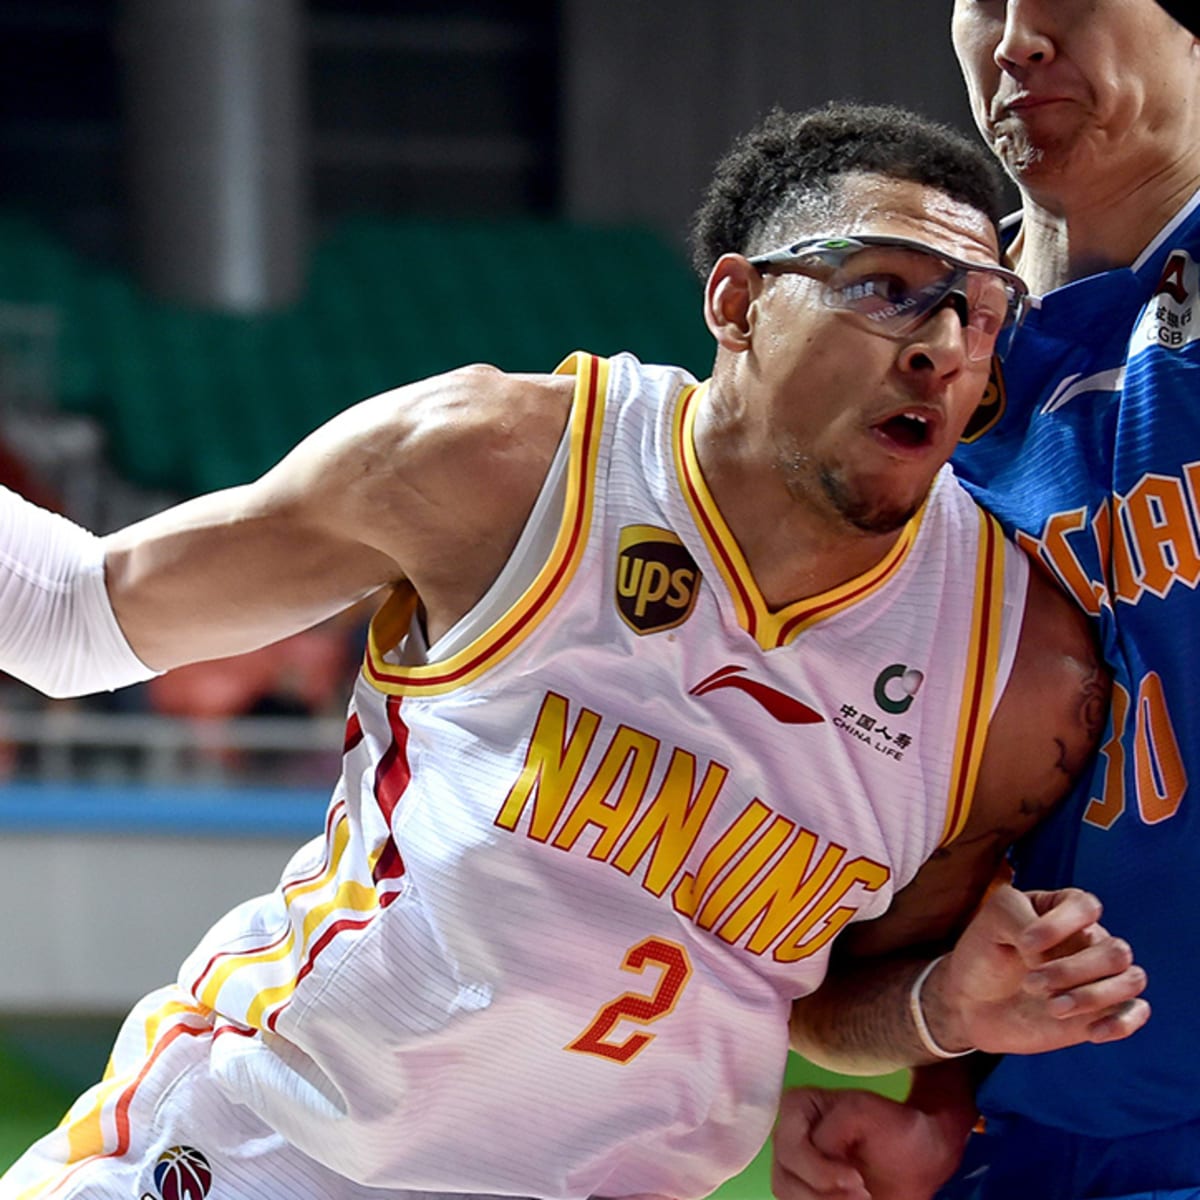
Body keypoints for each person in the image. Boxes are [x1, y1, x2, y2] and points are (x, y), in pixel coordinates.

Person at [0, 104, 1145, 1200]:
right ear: (738, 302)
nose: (940, 346)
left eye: (977, 312)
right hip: (269, 1149)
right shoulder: (502, 466)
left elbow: (827, 1003)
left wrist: (942, 1009)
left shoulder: (1012, 676)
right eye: (886, 288)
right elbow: (72, 613)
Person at [771, 4, 1200, 1199]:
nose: (1015, 40)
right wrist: (938, 1104)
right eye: (984, 2)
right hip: (1025, 1145)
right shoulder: (893, 365)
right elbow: (842, 911)